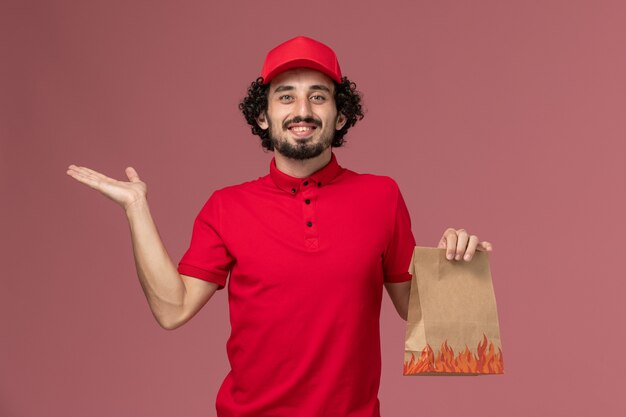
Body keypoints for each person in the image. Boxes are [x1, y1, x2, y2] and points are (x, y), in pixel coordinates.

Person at [67, 36, 493, 417]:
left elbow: (417, 314)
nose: (302, 111)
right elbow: (172, 309)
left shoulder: (382, 196)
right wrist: (136, 208)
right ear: (263, 117)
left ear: (340, 116)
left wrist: (455, 269)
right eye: (286, 97)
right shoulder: (225, 206)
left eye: (318, 97)